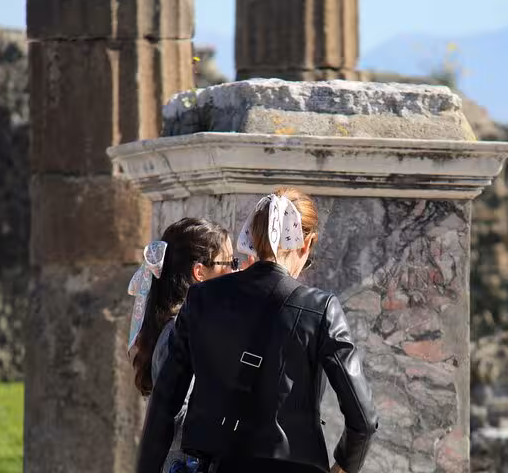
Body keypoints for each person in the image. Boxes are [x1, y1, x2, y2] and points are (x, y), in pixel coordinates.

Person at [137, 187, 378, 473]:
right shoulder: (321, 308)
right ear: (306, 243)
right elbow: (363, 419)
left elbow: (164, 407)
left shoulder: (201, 298)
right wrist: (344, 466)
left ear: (253, 237)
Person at [128, 217, 239, 473]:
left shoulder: (183, 327)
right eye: (230, 263)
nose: (236, 271)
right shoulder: (178, 332)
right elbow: (178, 415)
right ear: (200, 272)